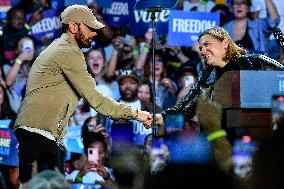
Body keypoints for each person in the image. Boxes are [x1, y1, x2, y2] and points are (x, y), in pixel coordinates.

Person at [13, 4, 152, 184]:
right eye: (89, 28)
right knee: (45, 185)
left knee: (38, 184)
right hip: (40, 133)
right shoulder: (68, 51)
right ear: (73, 27)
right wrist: (136, 114)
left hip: (39, 131)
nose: (94, 33)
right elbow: (96, 100)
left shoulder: (59, 47)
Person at [156, 26, 284, 170]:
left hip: (252, 148)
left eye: (206, 44)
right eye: (200, 48)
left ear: (225, 43)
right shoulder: (205, 80)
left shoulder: (257, 63)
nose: (202, 51)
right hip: (218, 151)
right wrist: (159, 118)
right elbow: (184, 111)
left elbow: (281, 81)